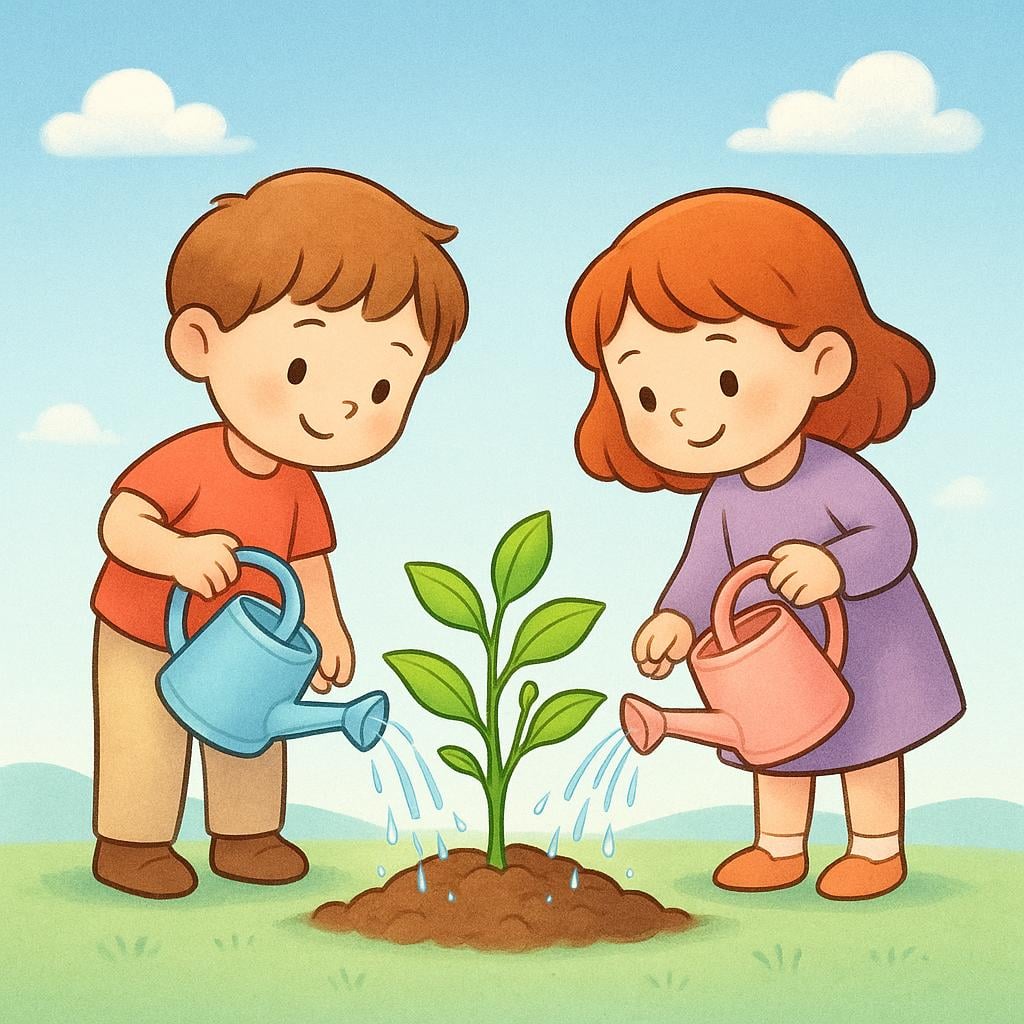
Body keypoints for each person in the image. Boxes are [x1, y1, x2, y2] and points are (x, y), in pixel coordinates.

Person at [566, 188, 963, 900]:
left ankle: (876, 848)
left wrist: (834, 565)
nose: (685, 413)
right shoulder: (725, 497)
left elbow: (892, 539)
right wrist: (676, 619)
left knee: (867, 740)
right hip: (769, 656)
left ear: (822, 363)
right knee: (775, 743)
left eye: (722, 377)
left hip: (867, 644)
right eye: (648, 397)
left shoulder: (837, 475)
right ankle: (779, 846)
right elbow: (703, 569)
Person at [90, 168, 468, 898]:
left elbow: (309, 559)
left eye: (383, 388)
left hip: (251, 642)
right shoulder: (189, 459)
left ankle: (247, 835)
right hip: (144, 632)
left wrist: (325, 624)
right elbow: (121, 522)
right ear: (201, 343)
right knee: (146, 736)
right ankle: (132, 844)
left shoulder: (299, 484)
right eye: (301, 364)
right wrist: (175, 553)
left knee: (257, 728)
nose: (342, 407)